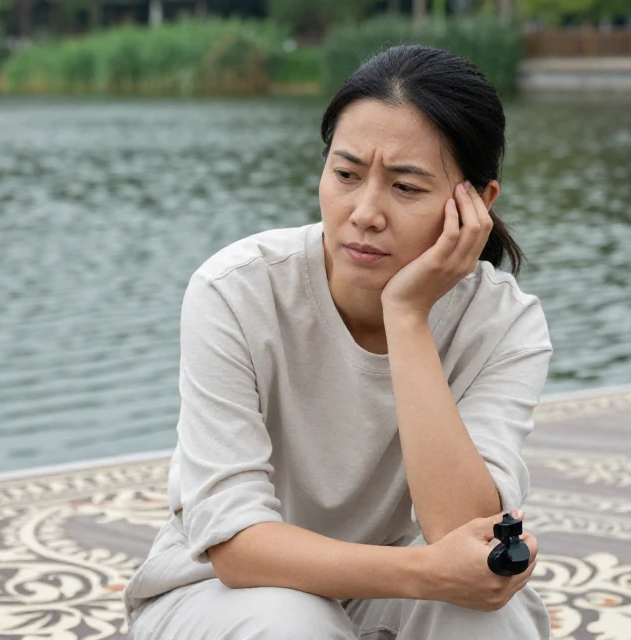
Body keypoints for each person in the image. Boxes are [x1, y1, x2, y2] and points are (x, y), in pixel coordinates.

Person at [123, 44, 552, 639]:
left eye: (406, 187)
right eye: (346, 175)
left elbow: (463, 536)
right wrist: (425, 572)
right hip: (219, 593)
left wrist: (407, 315)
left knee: (491, 615)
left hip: (382, 590)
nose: (365, 213)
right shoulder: (236, 290)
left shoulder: (502, 323)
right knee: (294, 624)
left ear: (477, 204)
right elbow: (235, 546)